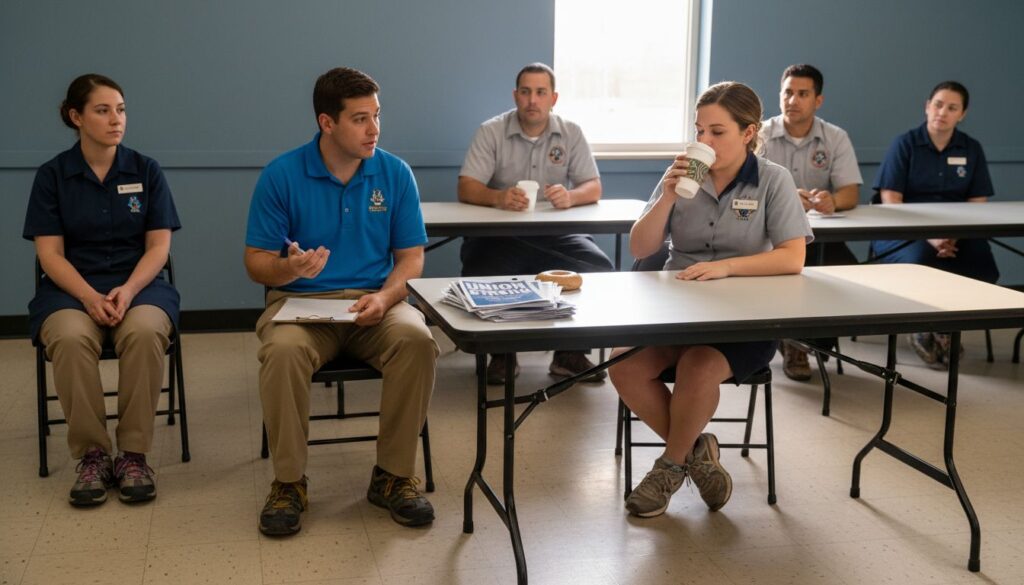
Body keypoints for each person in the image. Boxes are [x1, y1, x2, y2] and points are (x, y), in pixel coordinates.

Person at [244, 67, 438, 535]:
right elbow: (256, 263)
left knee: (417, 340)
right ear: (326, 123)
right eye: (360, 119)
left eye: (377, 116)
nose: (375, 129)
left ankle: (392, 476)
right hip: (302, 305)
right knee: (283, 352)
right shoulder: (282, 175)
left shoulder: (395, 173)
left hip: (376, 303)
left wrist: (387, 297)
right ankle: (289, 483)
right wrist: (289, 269)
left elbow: (411, 259)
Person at [608, 82, 812, 517]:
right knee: (623, 363)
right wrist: (667, 196)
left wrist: (728, 267)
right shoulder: (682, 175)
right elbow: (641, 248)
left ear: (748, 132)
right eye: (699, 131)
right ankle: (697, 453)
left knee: (698, 365)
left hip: (745, 316)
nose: (704, 140)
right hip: (678, 310)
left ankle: (668, 467)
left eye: (717, 132)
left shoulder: (773, 179)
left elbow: (793, 257)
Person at [23, 74, 181, 506]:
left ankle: (133, 455)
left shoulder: (146, 170)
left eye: (121, 110)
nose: (117, 120)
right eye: (103, 110)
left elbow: (159, 247)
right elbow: (50, 255)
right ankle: (93, 456)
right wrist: (89, 297)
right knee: (70, 338)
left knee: (145, 332)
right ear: (76, 117)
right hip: (70, 289)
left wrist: (128, 290)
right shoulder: (52, 176)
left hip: (140, 285)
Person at [458, 62, 614, 385]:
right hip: (501, 236)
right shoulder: (491, 131)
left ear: (553, 98)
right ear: (515, 95)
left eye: (541, 92)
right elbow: (466, 187)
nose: (533, 100)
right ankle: (502, 354)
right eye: (526, 92)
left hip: (557, 235)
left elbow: (594, 186)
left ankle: (569, 354)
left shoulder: (571, 132)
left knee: (597, 266)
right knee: (481, 267)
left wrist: (571, 197)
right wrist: (499, 198)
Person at [872, 81, 998, 369]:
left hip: (957, 233)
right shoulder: (904, 144)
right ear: (927, 106)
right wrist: (930, 237)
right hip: (903, 231)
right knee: (921, 262)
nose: (943, 112)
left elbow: (978, 202)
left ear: (962, 114)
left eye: (952, 108)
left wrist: (953, 236)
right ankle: (920, 326)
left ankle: (946, 327)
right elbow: (891, 200)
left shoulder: (971, 148)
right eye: (938, 105)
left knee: (983, 266)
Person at [760, 64, 863, 381]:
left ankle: (812, 340)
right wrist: (785, 198)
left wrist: (833, 201)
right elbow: (743, 186)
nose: (793, 100)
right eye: (787, 92)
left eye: (802, 94)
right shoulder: (760, 135)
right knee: (789, 273)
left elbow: (850, 192)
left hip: (821, 235)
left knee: (846, 273)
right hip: (768, 236)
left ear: (818, 100)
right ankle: (793, 342)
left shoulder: (835, 137)